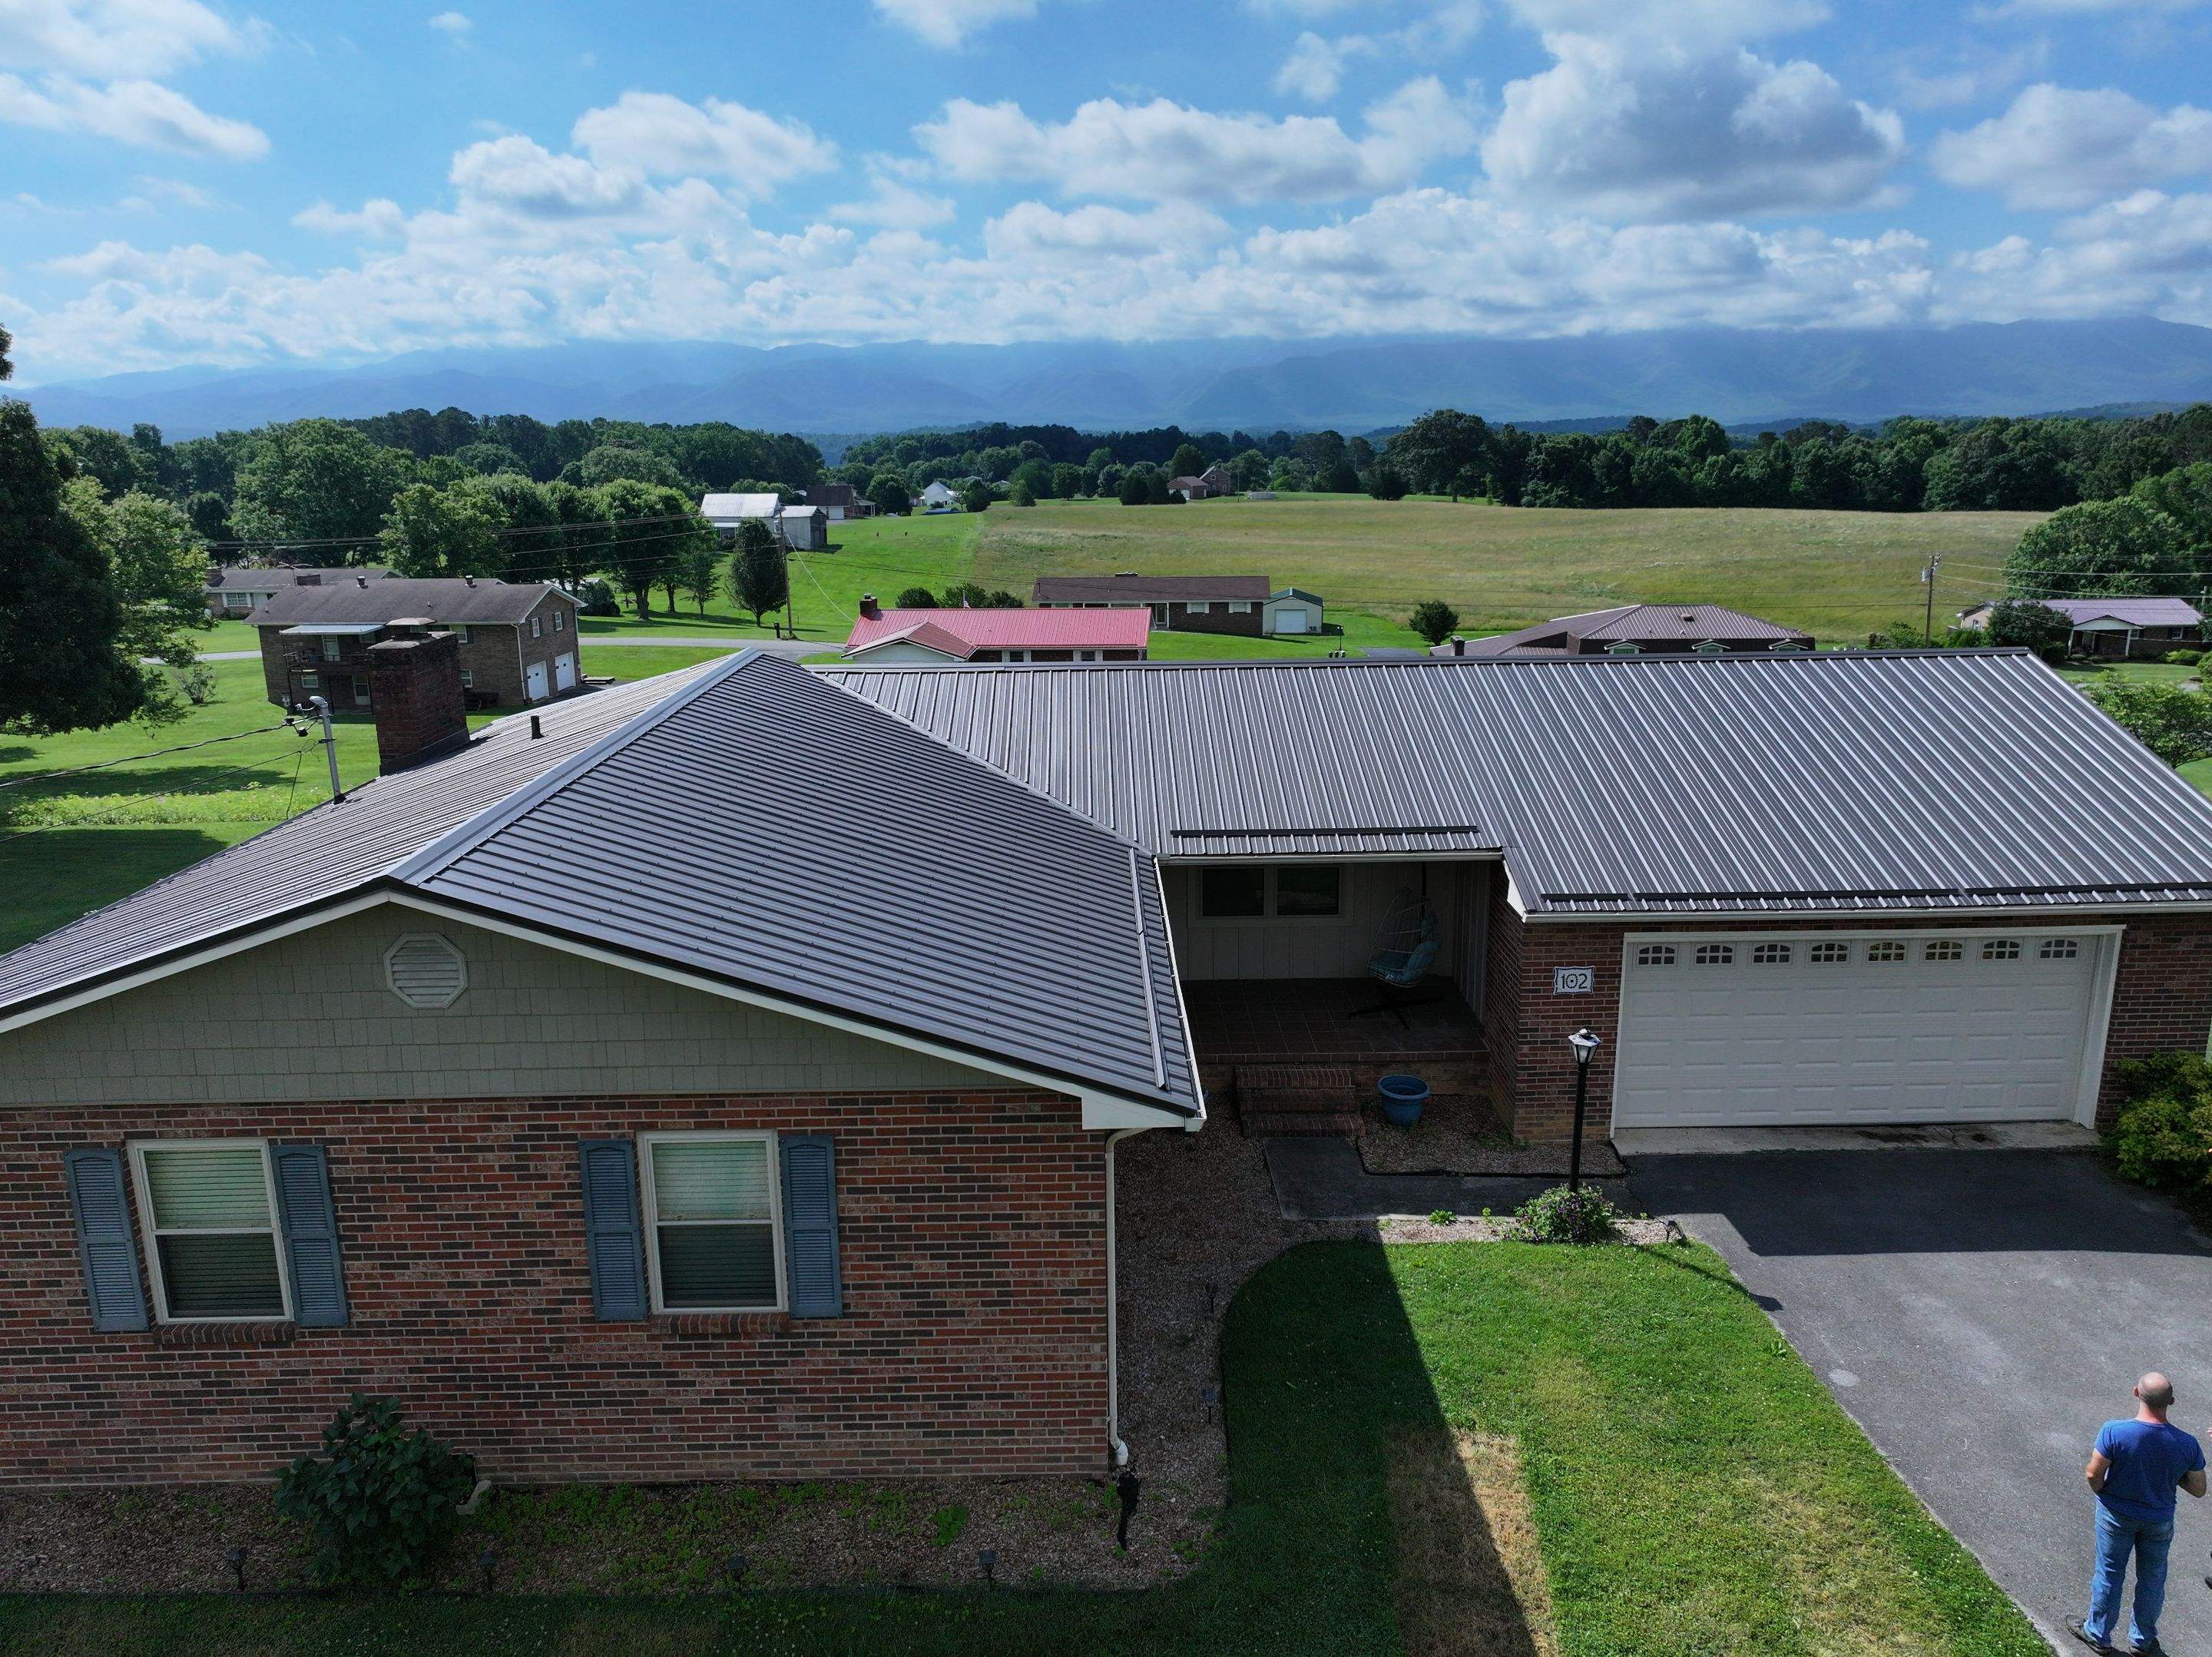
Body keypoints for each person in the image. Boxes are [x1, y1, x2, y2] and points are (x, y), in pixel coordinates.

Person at [2070, 1372, 2207, 1655]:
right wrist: (2173, 1474)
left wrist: (2105, 1494)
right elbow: (2198, 1489)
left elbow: (2093, 1473)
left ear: (2136, 1393)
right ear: (2171, 1401)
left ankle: (2098, 1633)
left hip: (2115, 1514)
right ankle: (2142, 1642)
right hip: (2158, 1520)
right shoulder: (2187, 1443)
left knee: (2109, 1572)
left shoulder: (2115, 1431)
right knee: (2153, 1579)